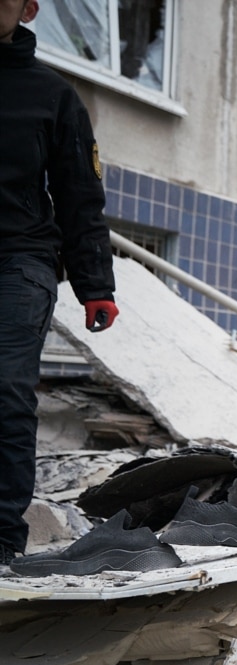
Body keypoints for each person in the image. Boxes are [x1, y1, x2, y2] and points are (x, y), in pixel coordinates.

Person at [0, 0, 118, 565]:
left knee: (4, 391)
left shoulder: (52, 95)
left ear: (26, 9)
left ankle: (0, 540)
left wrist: (95, 281)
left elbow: (79, 193)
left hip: (18, 260)